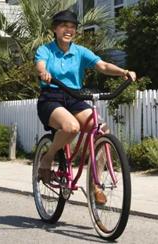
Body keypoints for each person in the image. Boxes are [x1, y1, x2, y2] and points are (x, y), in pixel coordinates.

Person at [35, 10, 137, 204]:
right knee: (71, 127)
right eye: (64, 26)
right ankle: (47, 158)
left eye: (72, 27)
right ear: (55, 29)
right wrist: (44, 72)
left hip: (74, 96)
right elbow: (41, 65)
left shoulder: (80, 51)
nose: (69, 30)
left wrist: (123, 72)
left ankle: (94, 185)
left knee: (102, 130)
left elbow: (103, 66)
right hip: (51, 97)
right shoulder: (45, 50)